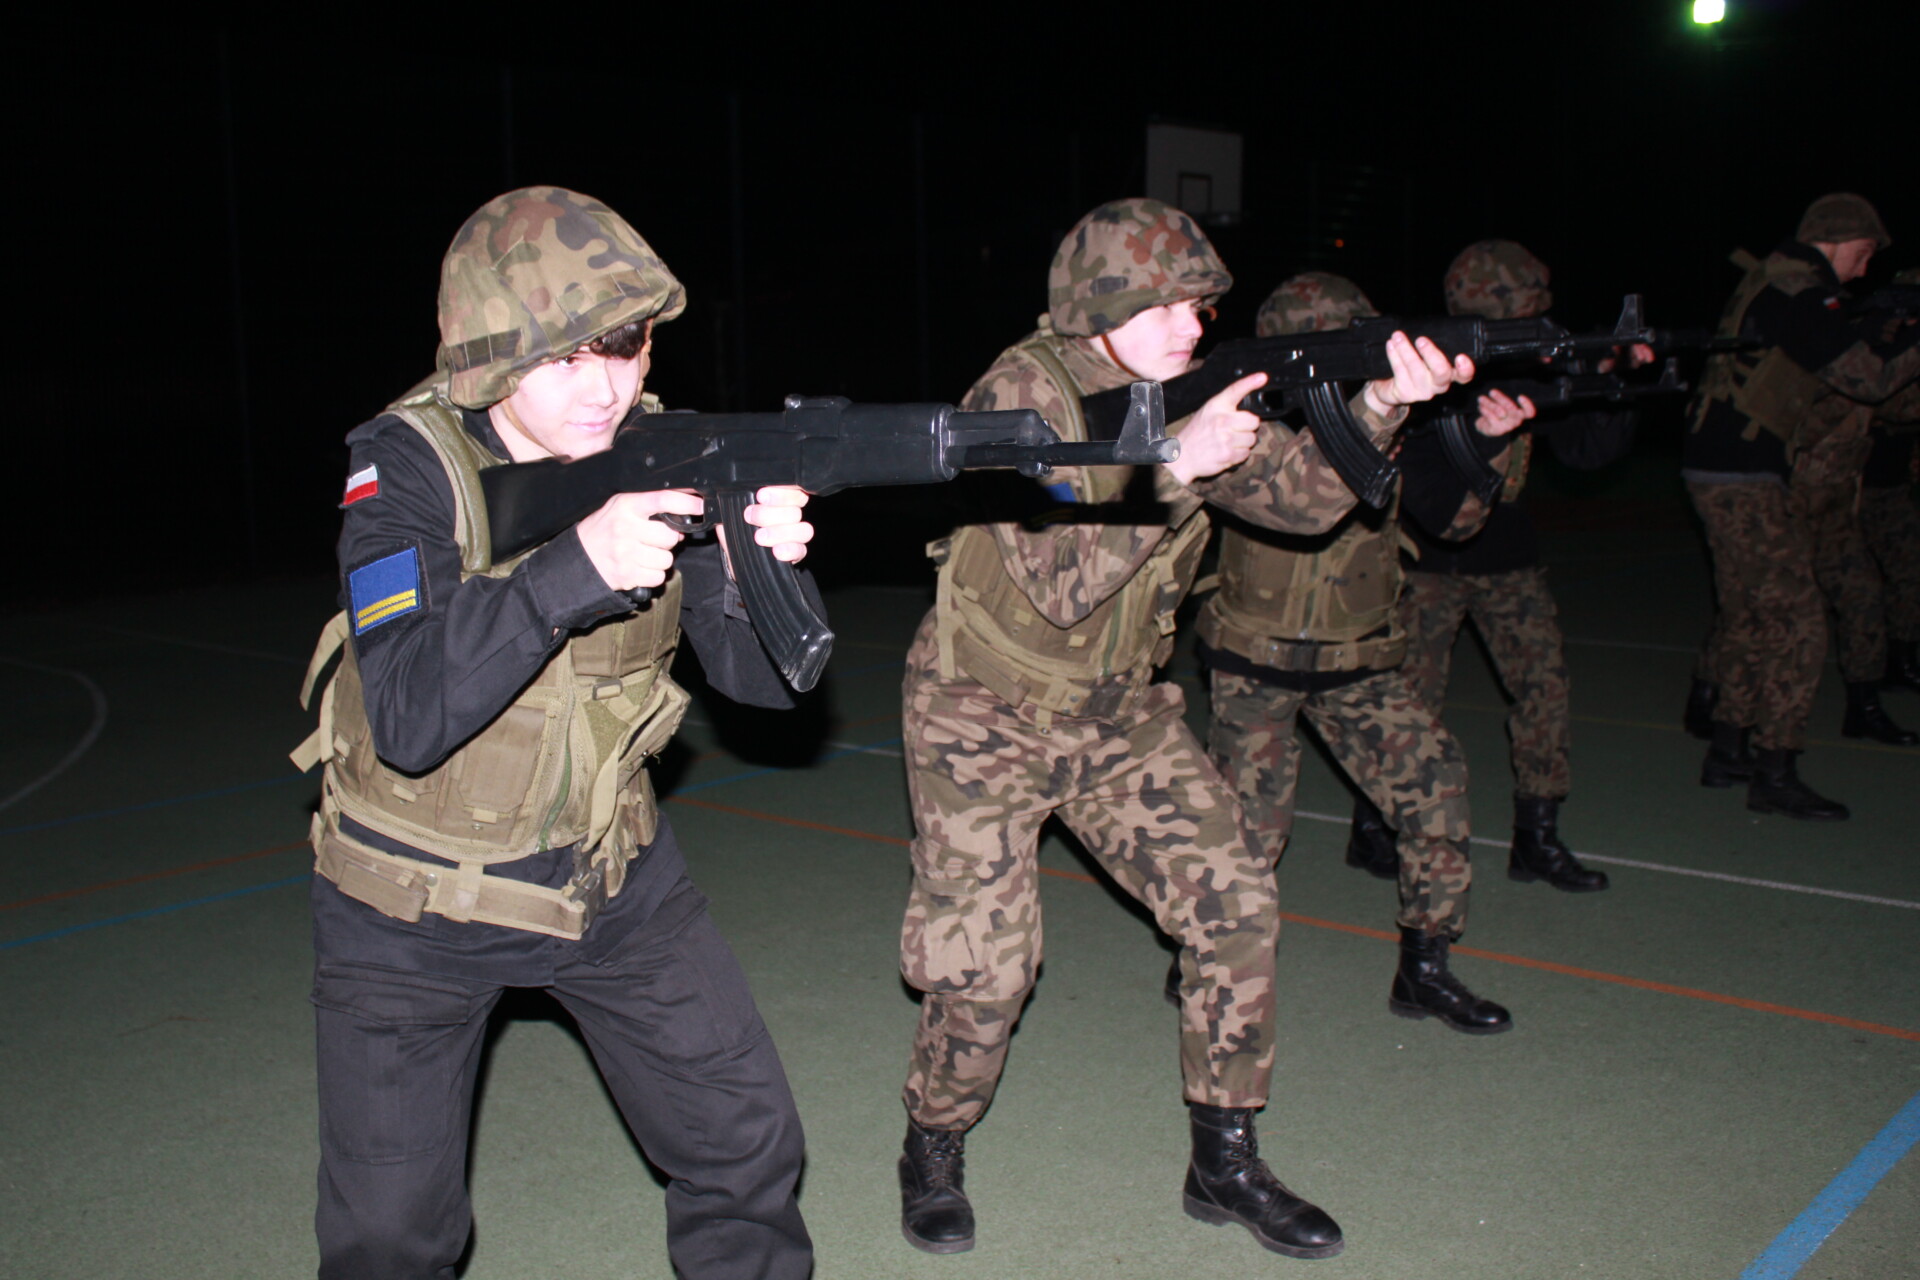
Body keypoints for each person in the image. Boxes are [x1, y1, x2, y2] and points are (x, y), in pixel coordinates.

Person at [894, 199, 1474, 1261]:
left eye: (1199, 305)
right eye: (1158, 306)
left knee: (1237, 901)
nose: (1189, 326)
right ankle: (933, 1139)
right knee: (988, 969)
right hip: (984, 711)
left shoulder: (1191, 387)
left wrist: (1383, 403)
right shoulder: (1019, 395)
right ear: (1094, 307)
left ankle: (1224, 1160)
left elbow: (1304, 503)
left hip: (1118, 709)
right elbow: (1059, 581)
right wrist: (1178, 461)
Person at [290, 187, 816, 1280]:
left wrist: (753, 562)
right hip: (410, 901)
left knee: (746, 1141)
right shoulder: (404, 469)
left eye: (625, 347)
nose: (606, 387)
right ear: (488, 359)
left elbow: (764, 691)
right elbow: (410, 713)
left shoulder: (657, 445)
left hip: (609, 872)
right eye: (564, 358)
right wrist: (578, 566)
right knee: (390, 1236)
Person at [1198, 272, 1530, 1038]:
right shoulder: (1239, 425)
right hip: (1256, 660)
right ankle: (1212, 964)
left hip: (1356, 660)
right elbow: (1292, 499)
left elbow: (1453, 523)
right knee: (1248, 835)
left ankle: (1425, 969)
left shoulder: (1397, 419)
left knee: (1436, 786)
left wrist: (1487, 446)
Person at [1388, 241, 1630, 890]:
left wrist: (1607, 385)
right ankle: (1381, 828)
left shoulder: (1531, 370)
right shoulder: (1429, 366)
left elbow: (1587, 453)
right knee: (1409, 706)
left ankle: (1537, 837)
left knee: (1545, 690)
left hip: (1508, 561)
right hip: (1426, 563)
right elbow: (1416, 472)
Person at [1683, 193, 1919, 818]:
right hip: (1742, 474)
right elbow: (1869, 379)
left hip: (1722, 464)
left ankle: (1728, 749)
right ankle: (1775, 771)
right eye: (1862, 253)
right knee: (1801, 622)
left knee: (1749, 614)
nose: (1864, 269)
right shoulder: (1801, 291)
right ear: (1835, 240)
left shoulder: (1777, 281)